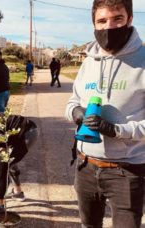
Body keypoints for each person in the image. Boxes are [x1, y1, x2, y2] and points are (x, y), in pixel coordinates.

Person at [65, 0, 145, 227]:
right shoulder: (88, 62)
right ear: (94, 24)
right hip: (85, 166)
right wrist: (77, 113)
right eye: (101, 21)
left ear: (129, 19)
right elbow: (72, 101)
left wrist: (117, 130)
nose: (108, 27)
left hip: (126, 172)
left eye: (117, 18)